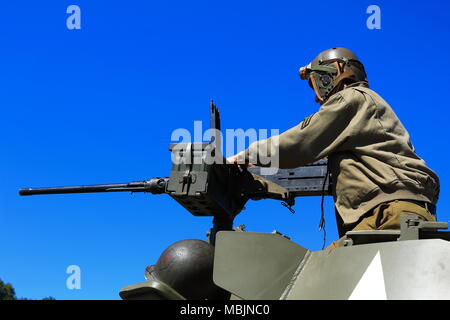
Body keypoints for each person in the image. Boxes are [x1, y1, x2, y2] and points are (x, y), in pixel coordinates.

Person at [227, 47, 440, 248]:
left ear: (334, 73)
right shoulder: (362, 112)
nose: (315, 97)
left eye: (316, 84)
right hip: (390, 212)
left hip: (387, 215)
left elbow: (301, 141)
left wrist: (243, 157)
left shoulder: (352, 98)